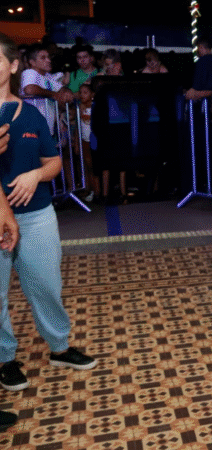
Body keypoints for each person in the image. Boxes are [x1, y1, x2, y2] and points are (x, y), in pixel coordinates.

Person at [0, 33, 97, 393]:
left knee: (46, 285)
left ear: (12, 66)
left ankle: (59, 347)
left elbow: (54, 161)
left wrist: (35, 175)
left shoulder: (31, 114)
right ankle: (5, 359)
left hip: (37, 213)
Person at [19, 43, 74, 136]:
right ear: (32, 62)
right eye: (43, 58)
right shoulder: (30, 72)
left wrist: (66, 91)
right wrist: (53, 94)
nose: (48, 60)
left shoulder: (48, 77)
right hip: (30, 130)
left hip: (46, 130)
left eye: (48, 57)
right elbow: (29, 89)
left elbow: (62, 90)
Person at [75, 83, 98, 202]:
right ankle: (89, 190)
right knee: (86, 167)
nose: (82, 95)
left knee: (94, 167)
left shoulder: (95, 106)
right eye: (80, 92)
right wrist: (77, 143)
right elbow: (78, 127)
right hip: (84, 141)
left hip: (94, 141)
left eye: (85, 92)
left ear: (92, 94)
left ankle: (97, 192)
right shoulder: (79, 108)